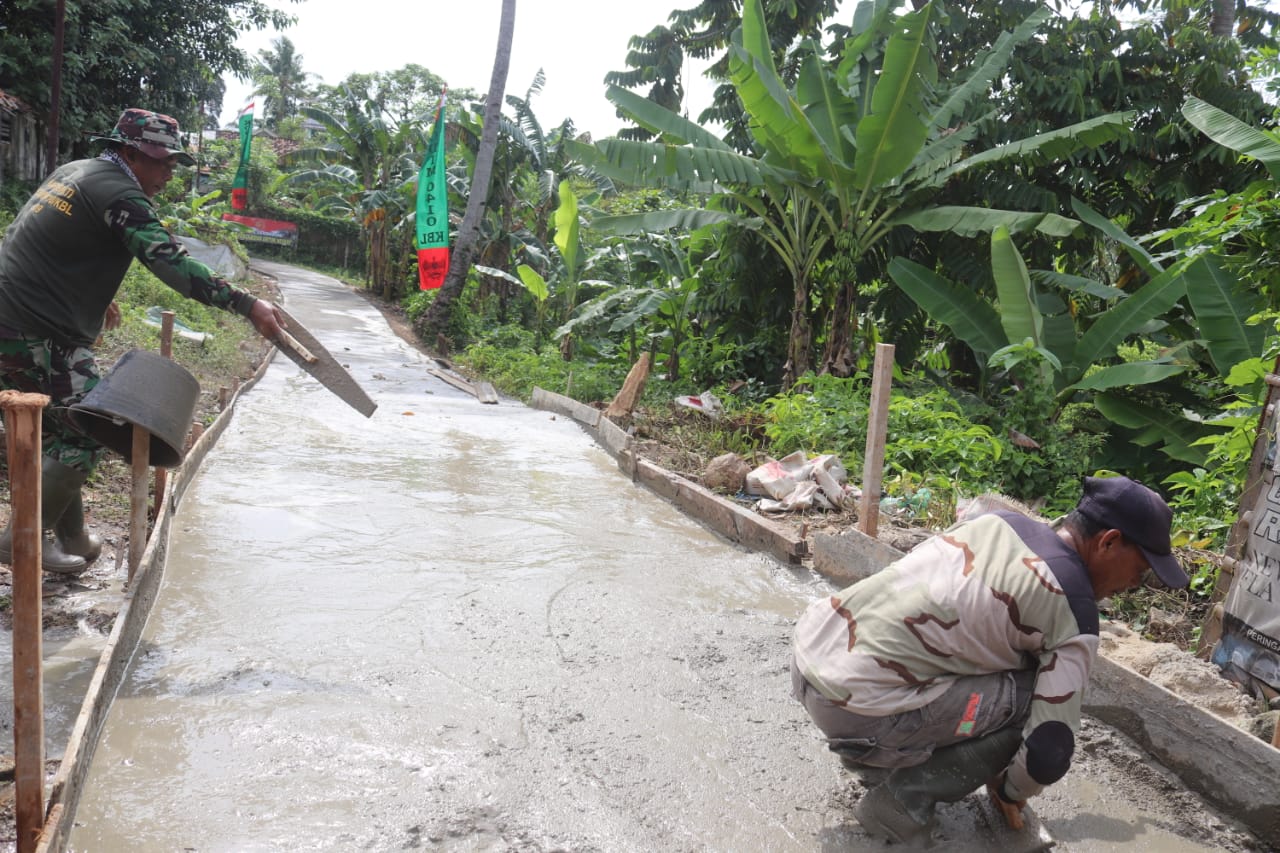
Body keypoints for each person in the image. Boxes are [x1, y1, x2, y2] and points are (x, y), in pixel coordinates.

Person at [790, 475, 1189, 843]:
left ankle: (873, 763)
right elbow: (1050, 753)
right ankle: (902, 801)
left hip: (812, 654)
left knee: (986, 654)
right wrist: (1011, 789)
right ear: (1108, 542)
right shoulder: (1071, 607)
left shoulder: (999, 523)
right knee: (1036, 697)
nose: (1133, 586)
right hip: (856, 707)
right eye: (1139, 571)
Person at [0, 108, 285, 574]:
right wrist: (246, 304)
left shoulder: (75, 173)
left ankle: (72, 537)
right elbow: (168, 262)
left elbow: (45, 241)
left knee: (58, 430)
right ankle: (21, 540)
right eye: (164, 164)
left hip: (15, 315)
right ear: (132, 154)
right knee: (89, 425)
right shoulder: (119, 192)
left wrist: (95, 298)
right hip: (35, 329)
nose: (168, 176)